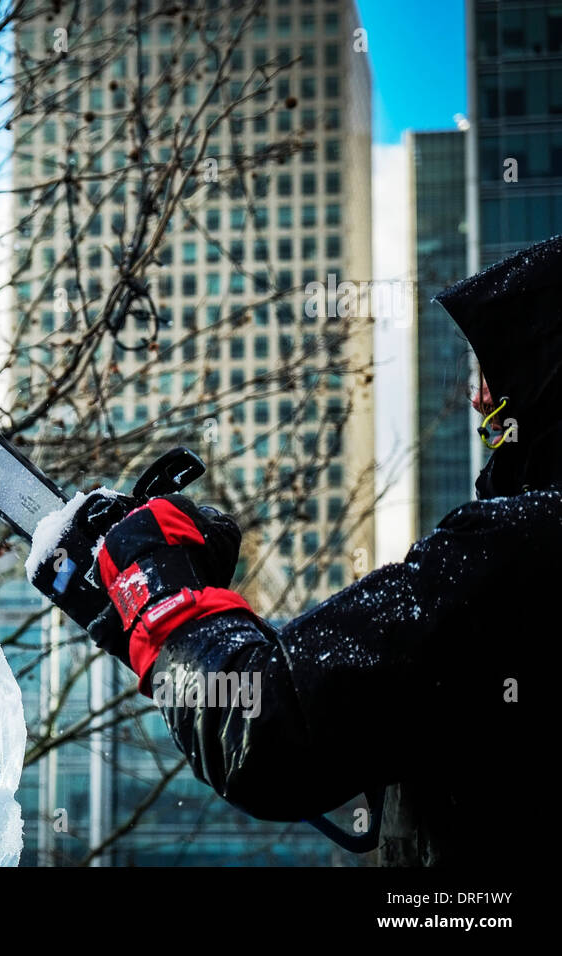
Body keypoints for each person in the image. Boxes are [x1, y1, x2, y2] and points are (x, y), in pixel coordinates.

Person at [28, 235, 557, 867]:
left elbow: (267, 728)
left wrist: (157, 597)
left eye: (493, 370)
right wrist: (176, 627)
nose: (477, 397)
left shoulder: (526, 546)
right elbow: (334, 694)